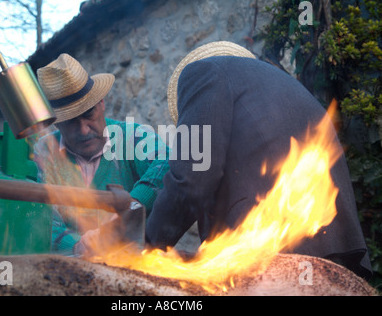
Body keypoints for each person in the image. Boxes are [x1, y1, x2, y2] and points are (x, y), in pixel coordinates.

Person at [145, 41, 372, 279]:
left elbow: (192, 178)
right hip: (341, 259)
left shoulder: (201, 73)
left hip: (279, 259)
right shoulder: (279, 89)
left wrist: (145, 248)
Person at [33, 53, 170, 255]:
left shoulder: (132, 136)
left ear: (101, 103)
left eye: (89, 114)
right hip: (66, 270)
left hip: (136, 269)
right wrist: (78, 246)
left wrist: (129, 209)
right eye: (71, 121)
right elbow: (39, 220)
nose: (84, 130)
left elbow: (168, 161)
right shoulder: (44, 152)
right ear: (56, 121)